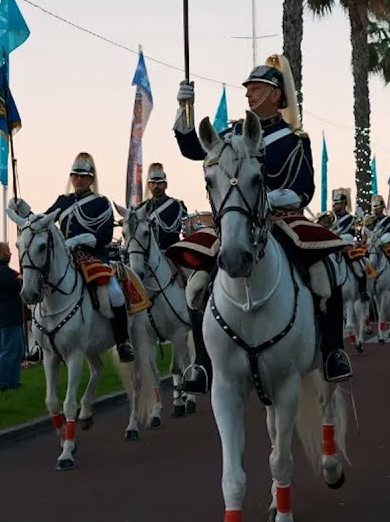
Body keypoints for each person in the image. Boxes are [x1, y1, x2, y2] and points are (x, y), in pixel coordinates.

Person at [169, 54, 353, 392]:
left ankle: (333, 352)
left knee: (325, 273)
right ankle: (203, 364)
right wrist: (184, 111)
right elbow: (196, 149)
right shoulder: (234, 132)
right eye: (249, 88)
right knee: (196, 282)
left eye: (256, 88)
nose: (249, 94)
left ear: (276, 95)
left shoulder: (295, 140)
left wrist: (273, 199)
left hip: (282, 219)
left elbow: (304, 188)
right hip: (237, 218)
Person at [10, 152, 135, 361]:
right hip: (65, 258)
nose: (78, 179)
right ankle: (41, 344)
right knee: (38, 286)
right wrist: (24, 209)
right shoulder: (63, 201)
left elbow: (104, 236)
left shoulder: (101, 203)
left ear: (91, 179)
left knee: (114, 293)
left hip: (94, 256)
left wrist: (78, 240)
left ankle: (122, 342)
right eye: (75, 175)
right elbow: (43, 221)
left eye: (83, 176)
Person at [0, 241, 24, 391]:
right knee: (9, 351)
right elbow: (16, 286)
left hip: (7, 314)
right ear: (0, 252)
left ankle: (13, 382)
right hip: (9, 315)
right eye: (8, 251)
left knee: (17, 350)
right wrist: (20, 280)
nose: (10, 253)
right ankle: (3, 383)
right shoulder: (1, 272)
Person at [329, 188, 370, 303]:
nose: (335, 206)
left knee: (358, 267)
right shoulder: (330, 218)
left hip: (345, 248)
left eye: (337, 204)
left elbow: (351, 234)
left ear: (343, 204)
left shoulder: (351, 219)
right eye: (334, 203)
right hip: (330, 248)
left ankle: (363, 291)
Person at [141, 162, 188, 251]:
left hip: (171, 253)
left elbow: (187, 231)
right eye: (153, 183)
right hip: (148, 254)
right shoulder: (143, 208)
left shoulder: (177, 206)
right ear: (149, 185)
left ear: (165, 185)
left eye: (159, 183)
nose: (156, 186)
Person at [364, 194, 390, 288]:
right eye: (374, 207)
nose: (375, 209)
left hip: (385, 245)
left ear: (382, 207)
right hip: (371, 245)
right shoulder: (369, 220)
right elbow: (365, 234)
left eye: (377, 207)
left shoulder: (389, 219)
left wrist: (381, 240)